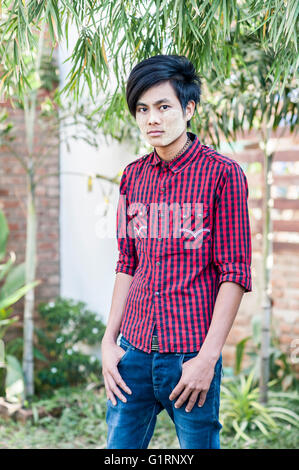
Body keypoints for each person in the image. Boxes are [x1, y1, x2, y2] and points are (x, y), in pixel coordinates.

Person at [101, 54, 252, 449]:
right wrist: (108, 341)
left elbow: (235, 272)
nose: (152, 119)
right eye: (142, 109)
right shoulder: (132, 176)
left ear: (188, 109)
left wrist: (207, 359)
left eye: (163, 107)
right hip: (132, 352)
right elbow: (126, 261)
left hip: (189, 354)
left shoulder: (223, 174)